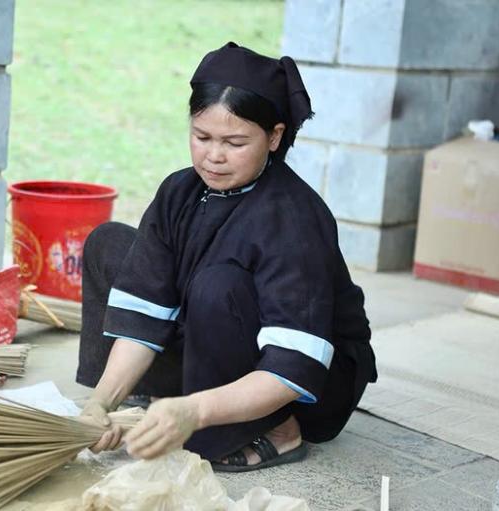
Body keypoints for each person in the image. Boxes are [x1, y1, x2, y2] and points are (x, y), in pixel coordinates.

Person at [75, 42, 377, 472]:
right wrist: (100, 403)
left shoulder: (293, 219)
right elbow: (146, 306)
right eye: (202, 137)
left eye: (235, 142)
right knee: (111, 243)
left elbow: (295, 360)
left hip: (304, 384)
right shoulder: (179, 191)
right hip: (214, 341)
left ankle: (278, 432)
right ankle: (163, 396)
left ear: (273, 137)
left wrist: (195, 412)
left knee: (216, 283)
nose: (213, 156)